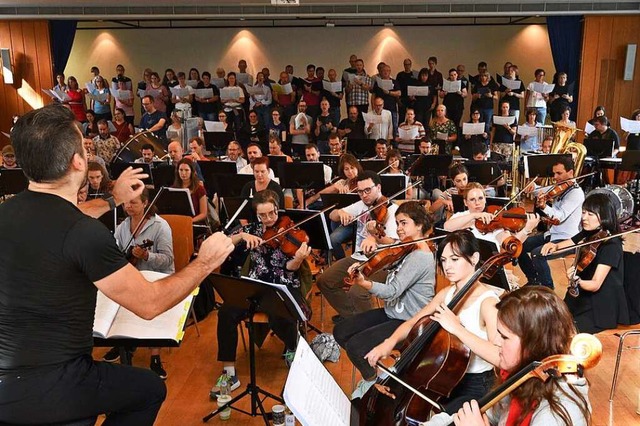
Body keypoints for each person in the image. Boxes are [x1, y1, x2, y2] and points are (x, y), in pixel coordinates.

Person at [0, 105, 234, 425]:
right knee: (149, 390)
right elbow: (150, 304)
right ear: (79, 162)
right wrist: (205, 261)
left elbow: (66, 219)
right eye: (83, 145)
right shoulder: (84, 234)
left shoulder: (10, 212)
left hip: (6, 384)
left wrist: (113, 198)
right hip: (57, 385)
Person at [364, 230, 500, 414]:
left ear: (474, 258)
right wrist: (388, 343)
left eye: (454, 259)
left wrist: (458, 329)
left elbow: (500, 357)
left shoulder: (488, 303)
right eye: (443, 261)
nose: (447, 267)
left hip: (474, 385)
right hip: (442, 375)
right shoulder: (447, 294)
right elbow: (413, 322)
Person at [210, 189, 312, 397]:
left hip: (281, 284)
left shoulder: (290, 229)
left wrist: (300, 259)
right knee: (226, 313)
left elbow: (290, 268)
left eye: (272, 214)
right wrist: (241, 235)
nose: (268, 219)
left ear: (277, 208)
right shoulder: (253, 228)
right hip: (254, 285)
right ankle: (229, 373)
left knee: (278, 313)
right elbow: (224, 243)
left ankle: (293, 347)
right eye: (262, 215)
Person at [442, 286, 591, 426]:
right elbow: (491, 414)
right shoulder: (525, 377)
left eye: (504, 337)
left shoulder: (557, 413)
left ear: (534, 345)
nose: (496, 342)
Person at [334, 201, 436, 398]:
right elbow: (390, 256)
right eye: (397, 223)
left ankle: (372, 383)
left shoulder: (421, 256)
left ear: (420, 226)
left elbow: (392, 291)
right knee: (341, 331)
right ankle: (378, 372)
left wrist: (364, 282)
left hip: (410, 321)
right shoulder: (408, 248)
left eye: (404, 223)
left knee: (356, 347)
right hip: (394, 312)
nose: (398, 228)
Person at [104, 188, 176, 378]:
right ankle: (124, 344)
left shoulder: (161, 226)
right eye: (126, 202)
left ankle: (155, 356)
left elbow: (168, 260)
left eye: (133, 203)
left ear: (145, 203)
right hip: (133, 277)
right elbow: (115, 252)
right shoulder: (122, 227)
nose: (128, 206)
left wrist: (146, 255)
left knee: (152, 301)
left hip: (156, 276)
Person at [316, 170, 399, 323]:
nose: (364, 195)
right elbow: (331, 215)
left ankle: (371, 326)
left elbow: (392, 243)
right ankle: (354, 318)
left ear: (378, 187)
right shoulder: (361, 204)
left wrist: (375, 236)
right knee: (324, 281)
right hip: (357, 257)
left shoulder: (391, 210)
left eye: (368, 190)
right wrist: (340, 212)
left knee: (357, 292)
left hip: (380, 261)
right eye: (360, 191)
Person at [541, 192, 629, 333]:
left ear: (604, 216)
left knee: (563, 331)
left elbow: (595, 284)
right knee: (551, 320)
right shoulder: (591, 233)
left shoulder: (611, 245)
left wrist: (577, 281)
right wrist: (555, 245)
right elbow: (571, 241)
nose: (584, 218)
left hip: (600, 306)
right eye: (583, 212)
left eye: (590, 214)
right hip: (582, 296)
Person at [519, 156, 584, 288]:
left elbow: (559, 217)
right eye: (554, 173)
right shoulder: (560, 187)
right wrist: (534, 187)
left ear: (570, 173)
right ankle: (533, 280)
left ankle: (548, 289)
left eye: (559, 173)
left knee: (538, 254)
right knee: (520, 246)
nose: (555, 177)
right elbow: (544, 191)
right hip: (552, 234)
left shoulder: (576, 194)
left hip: (567, 239)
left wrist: (544, 207)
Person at [444, 182, 538, 247]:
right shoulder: (461, 216)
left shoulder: (493, 220)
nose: (477, 203)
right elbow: (447, 227)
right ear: (465, 202)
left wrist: (526, 230)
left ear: (485, 199)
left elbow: (511, 245)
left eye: (480, 198)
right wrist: (474, 216)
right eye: (472, 199)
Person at [306, 154, 363, 252]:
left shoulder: (363, 181)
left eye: (352, 168)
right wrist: (310, 200)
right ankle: (333, 254)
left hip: (356, 221)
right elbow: (324, 192)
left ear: (357, 167)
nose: (350, 172)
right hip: (341, 220)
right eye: (346, 169)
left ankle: (339, 260)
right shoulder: (343, 182)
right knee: (329, 219)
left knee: (333, 238)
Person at [172, 158, 208, 223]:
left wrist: (189, 221)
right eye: (181, 170)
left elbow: (203, 214)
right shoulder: (173, 188)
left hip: (194, 223)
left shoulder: (199, 189)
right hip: (177, 221)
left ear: (192, 171)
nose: (183, 173)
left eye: (186, 170)